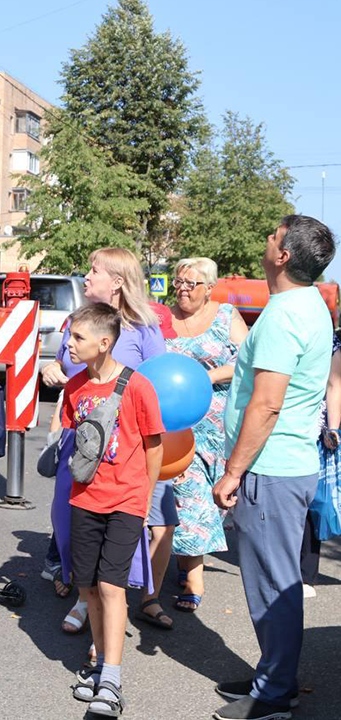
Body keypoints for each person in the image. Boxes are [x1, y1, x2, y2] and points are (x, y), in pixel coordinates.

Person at [213, 215, 336, 720]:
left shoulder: (285, 315)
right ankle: (274, 674)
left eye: (271, 235)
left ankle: (273, 696)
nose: (265, 240)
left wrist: (233, 472)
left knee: (272, 583)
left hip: (272, 468)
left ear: (283, 255)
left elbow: (266, 405)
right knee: (274, 578)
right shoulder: (308, 304)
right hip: (289, 464)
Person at [40, 247, 166, 636]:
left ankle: (114, 606)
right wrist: (49, 368)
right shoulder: (76, 323)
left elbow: (158, 387)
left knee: (119, 528)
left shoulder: (143, 329)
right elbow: (64, 365)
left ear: (117, 281)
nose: (87, 276)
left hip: (122, 449)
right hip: (78, 440)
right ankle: (84, 596)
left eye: (94, 270)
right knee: (68, 518)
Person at [62, 304, 164, 717]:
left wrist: (143, 498)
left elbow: (154, 446)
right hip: (83, 500)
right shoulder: (74, 388)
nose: (69, 344)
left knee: (111, 587)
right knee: (86, 586)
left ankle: (112, 680)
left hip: (125, 502)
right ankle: (100, 663)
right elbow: (77, 439)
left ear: (104, 343)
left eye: (77, 338)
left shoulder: (137, 387)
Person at [165, 258, 248, 613]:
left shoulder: (226, 316)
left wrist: (209, 377)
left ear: (210, 288)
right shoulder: (162, 317)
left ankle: (185, 563)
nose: (182, 289)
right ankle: (193, 577)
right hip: (176, 425)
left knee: (205, 496)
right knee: (189, 493)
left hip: (217, 423)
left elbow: (248, 363)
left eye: (191, 284)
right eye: (178, 282)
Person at [303, 330, 341, 596]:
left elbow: (334, 384)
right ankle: (305, 573)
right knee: (312, 499)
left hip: (325, 427)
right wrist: (332, 428)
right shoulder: (330, 338)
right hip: (320, 428)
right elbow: (333, 385)